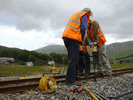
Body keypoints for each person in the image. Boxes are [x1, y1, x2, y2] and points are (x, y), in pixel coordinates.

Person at [62, 8, 92, 85]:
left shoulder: (76, 14)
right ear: (88, 12)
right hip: (73, 38)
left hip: (66, 36)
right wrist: (82, 40)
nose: (89, 17)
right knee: (73, 60)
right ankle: (70, 81)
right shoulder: (84, 14)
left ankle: (73, 77)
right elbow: (84, 27)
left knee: (74, 58)